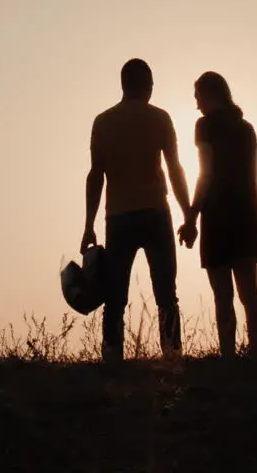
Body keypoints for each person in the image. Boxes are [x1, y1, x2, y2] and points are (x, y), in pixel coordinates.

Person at [83, 58, 193, 363]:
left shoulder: (103, 122)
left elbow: (96, 176)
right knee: (166, 293)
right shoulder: (160, 118)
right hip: (156, 212)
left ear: (123, 84)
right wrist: (188, 214)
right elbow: (174, 169)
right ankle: (172, 354)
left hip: (118, 216)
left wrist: (88, 225)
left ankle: (112, 357)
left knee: (115, 296)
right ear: (147, 85)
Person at [178, 71, 257, 358]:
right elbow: (253, 176)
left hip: (218, 216)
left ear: (209, 94)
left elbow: (205, 173)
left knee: (223, 296)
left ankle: (228, 355)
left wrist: (192, 215)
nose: (196, 104)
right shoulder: (247, 128)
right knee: (250, 295)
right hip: (246, 213)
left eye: (197, 97)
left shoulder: (204, 127)